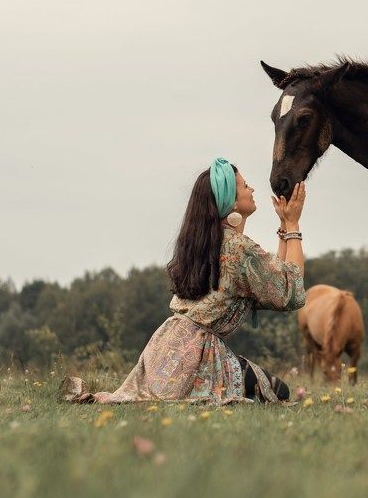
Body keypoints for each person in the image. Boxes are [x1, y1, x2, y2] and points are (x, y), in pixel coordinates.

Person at [61, 158, 307, 404]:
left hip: (163, 349)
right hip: (198, 359)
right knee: (280, 392)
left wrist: (284, 226)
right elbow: (288, 289)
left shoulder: (204, 244)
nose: (252, 189)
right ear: (231, 200)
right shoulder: (238, 248)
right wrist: (294, 223)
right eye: (245, 185)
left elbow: (274, 280)